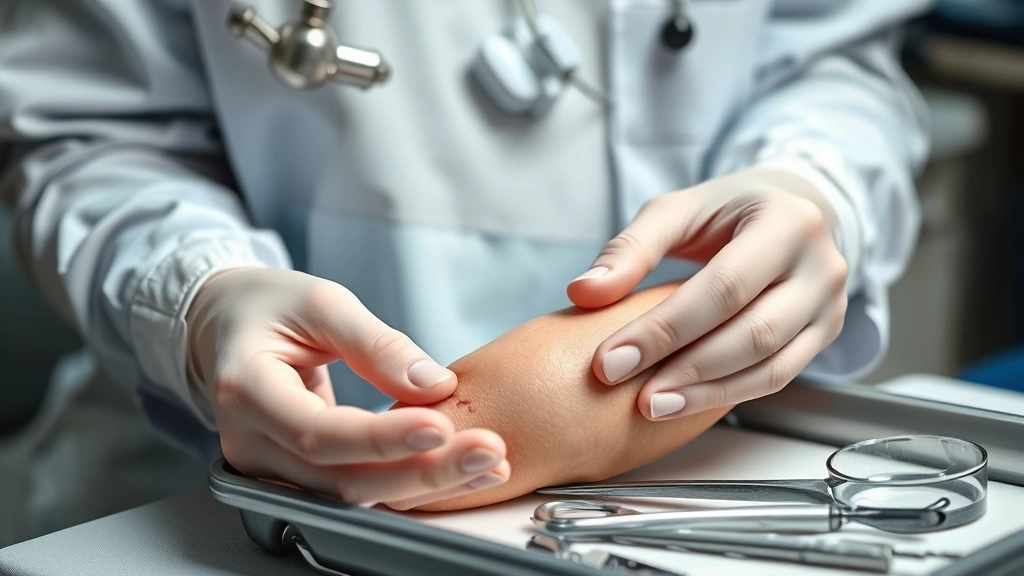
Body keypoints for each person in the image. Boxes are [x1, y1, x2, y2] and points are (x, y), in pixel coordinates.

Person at [0, 0, 931, 523]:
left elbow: (835, 58)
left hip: (706, 481)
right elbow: (87, 127)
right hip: (193, 493)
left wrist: (815, 187)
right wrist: (198, 296)